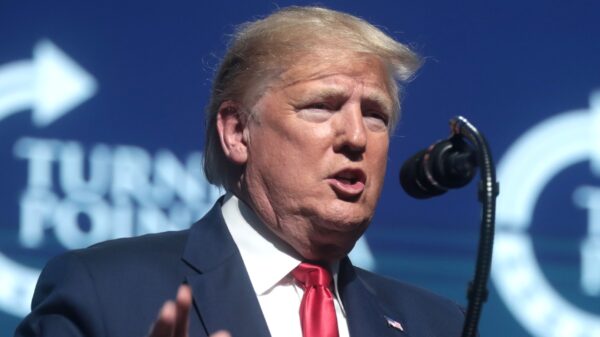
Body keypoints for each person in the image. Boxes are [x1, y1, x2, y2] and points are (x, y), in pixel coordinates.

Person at [15, 6, 465, 337]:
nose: (355, 137)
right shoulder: (103, 291)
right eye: (321, 107)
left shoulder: (440, 326)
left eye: (375, 115)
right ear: (236, 132)